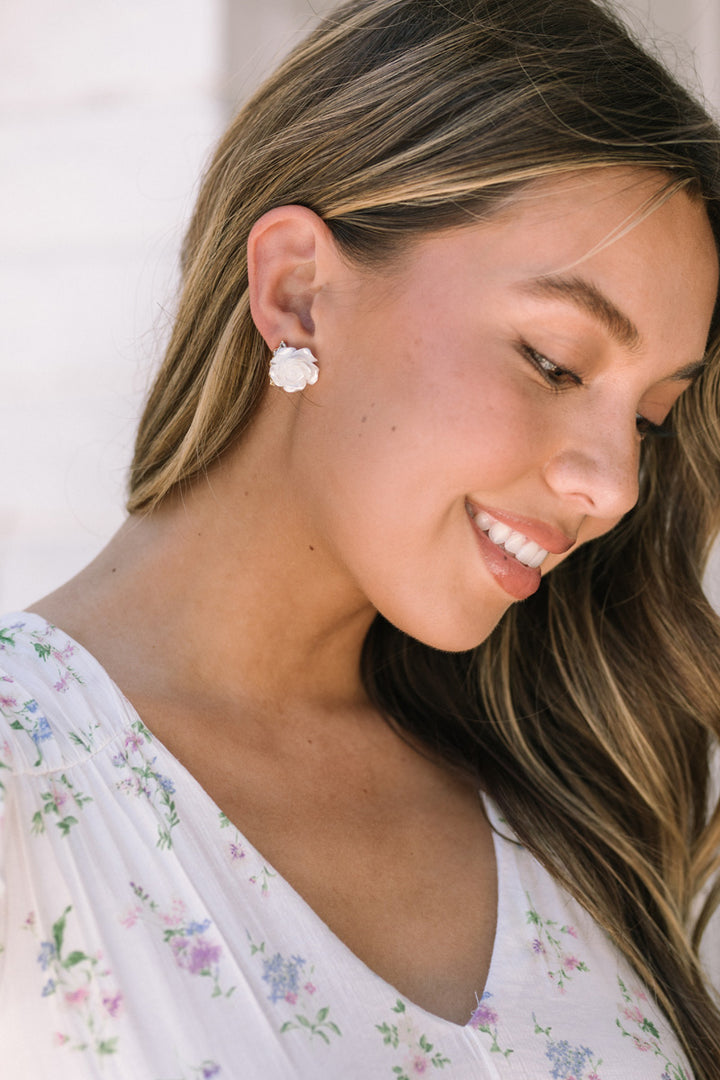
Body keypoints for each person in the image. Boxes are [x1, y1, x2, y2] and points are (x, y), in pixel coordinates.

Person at [1, 0, 720, 1076]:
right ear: (297, 294)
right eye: (556, 362)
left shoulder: (565, 791)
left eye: (650, 419)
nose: (614, 486)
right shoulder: (29, 783)